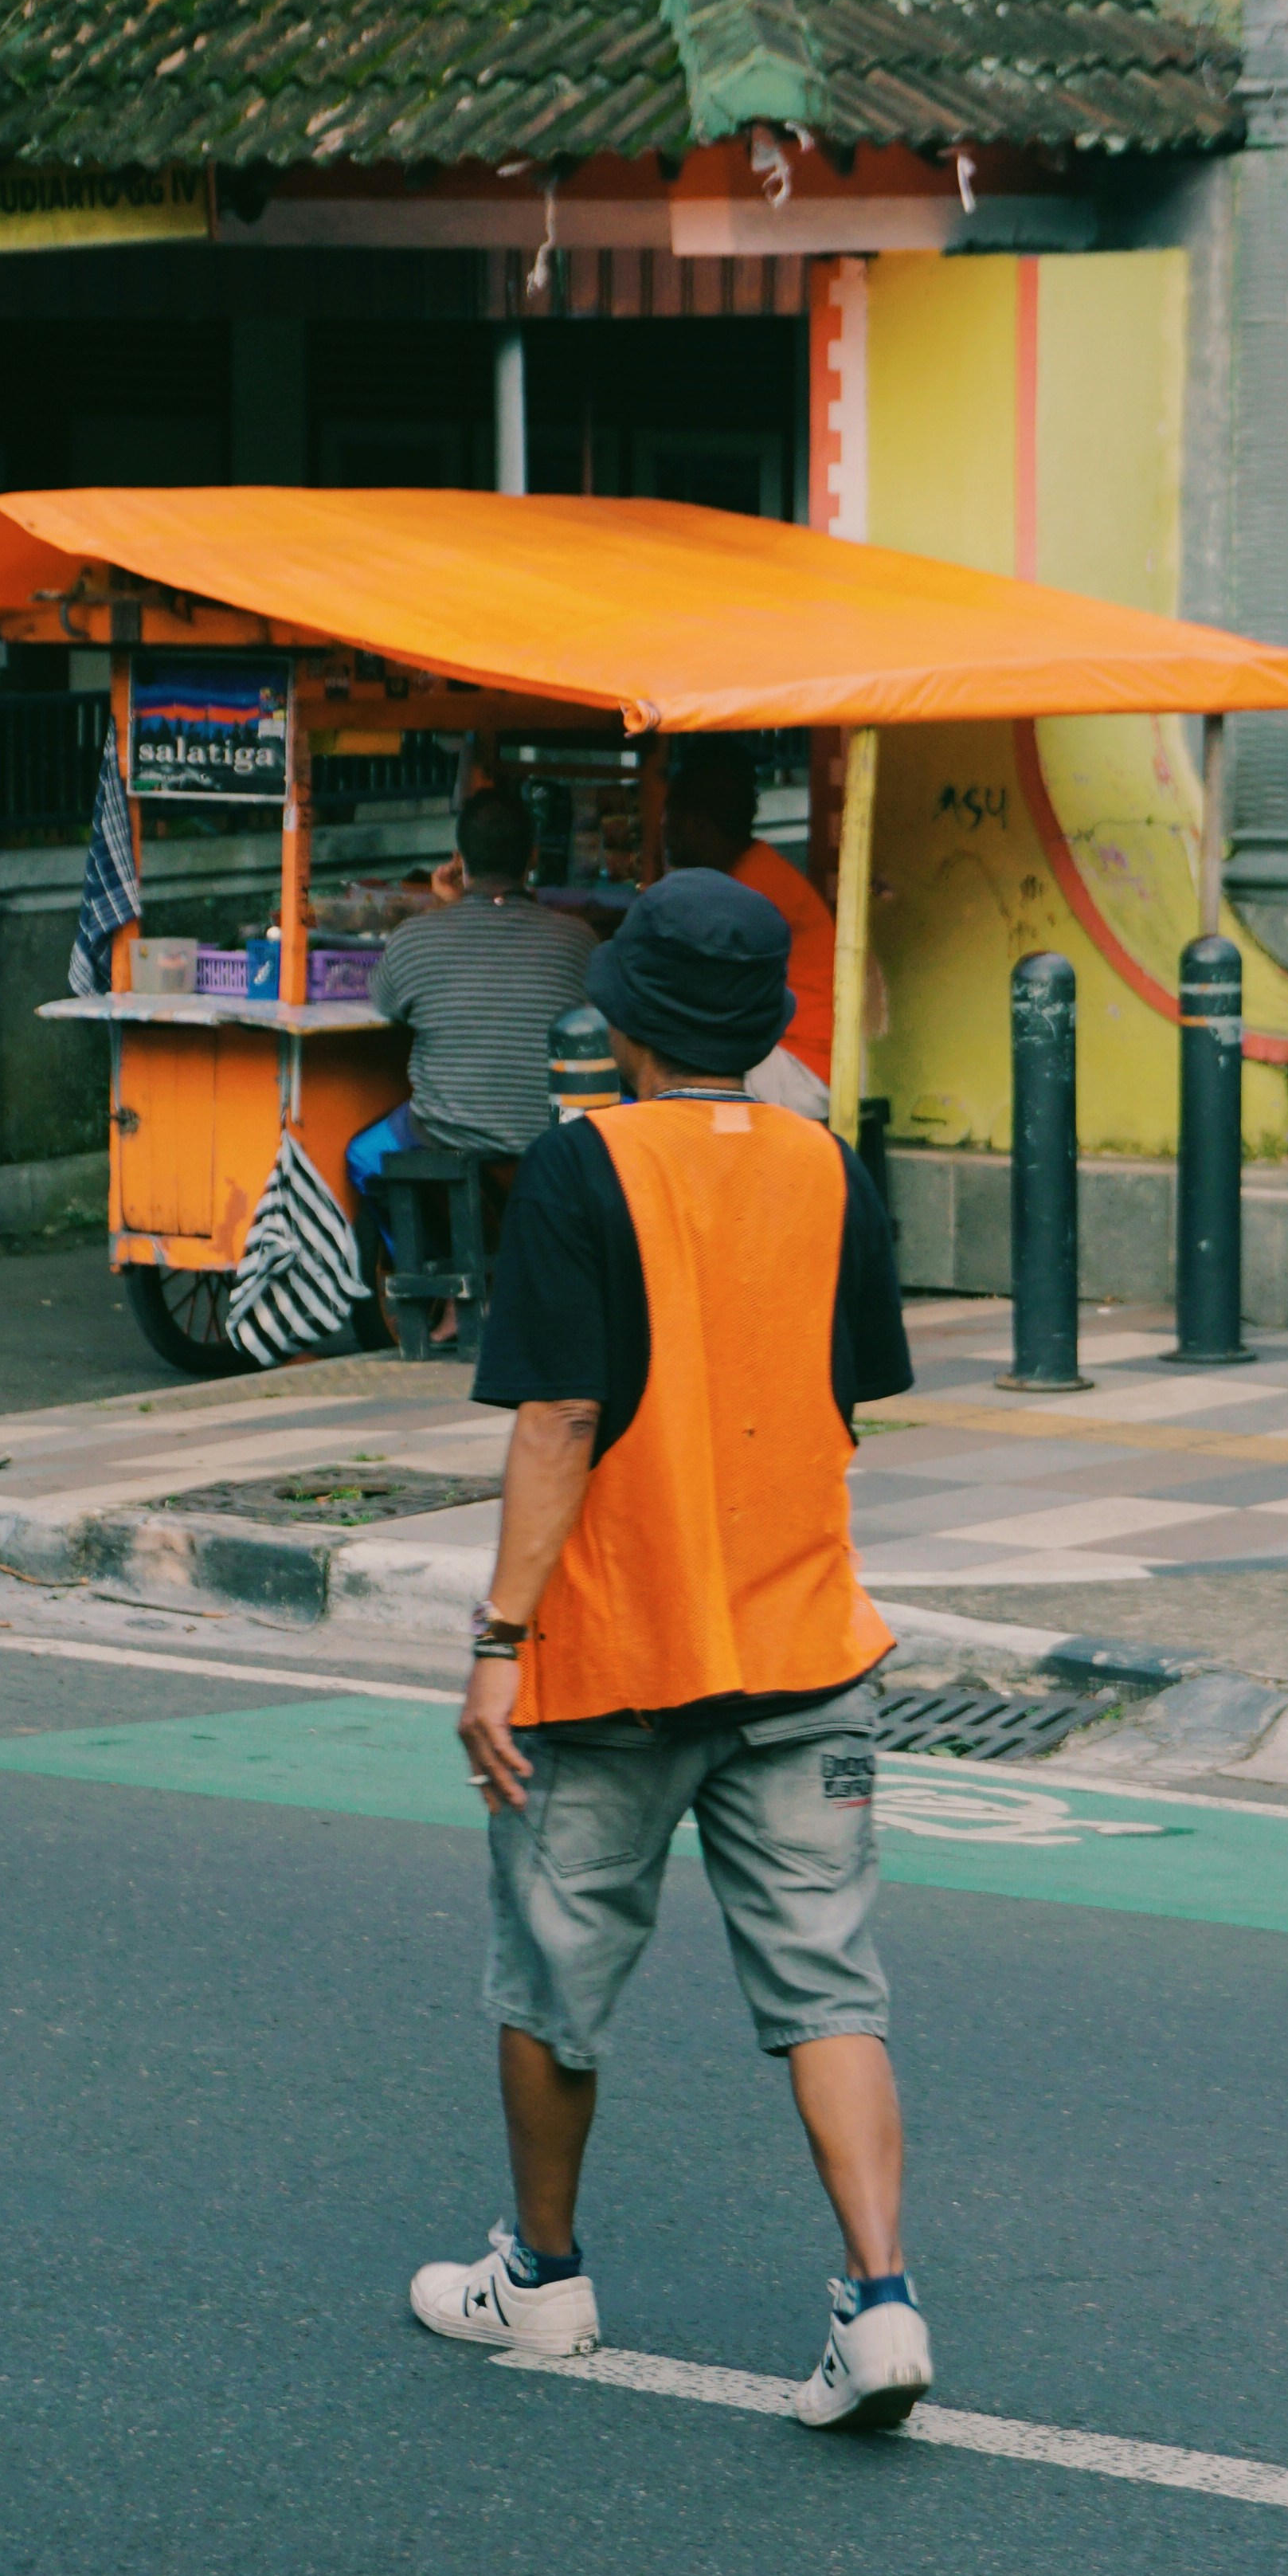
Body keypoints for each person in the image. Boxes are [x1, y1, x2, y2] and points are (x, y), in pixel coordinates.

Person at [408, 868, 929, 2433]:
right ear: (766, 1029)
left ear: (621, 1019)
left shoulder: (581, 1172)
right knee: (828, 1986)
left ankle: (545, 2278)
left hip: (617, 1649)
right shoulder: (829, 1168)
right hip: (804, 1641)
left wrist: (496, 1640)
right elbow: (848, 1396)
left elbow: (559, 1417)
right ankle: (880, 2301)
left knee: (553, 1975)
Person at [348, 784, 585, 1257]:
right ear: (532, 858)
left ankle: (433, 1282)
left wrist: (443, 909)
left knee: (363, 1157)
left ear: (458, 860)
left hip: (446, 1138)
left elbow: (385, 1001)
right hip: (551, 1142)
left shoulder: (416, 938)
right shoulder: (577, 940)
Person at [662, 740, 837, 1118]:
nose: (663, 830)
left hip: (802, 1068)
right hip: (795, 1059)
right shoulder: (753, 873)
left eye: (669, 817)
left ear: (693, 824)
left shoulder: (748, 889)